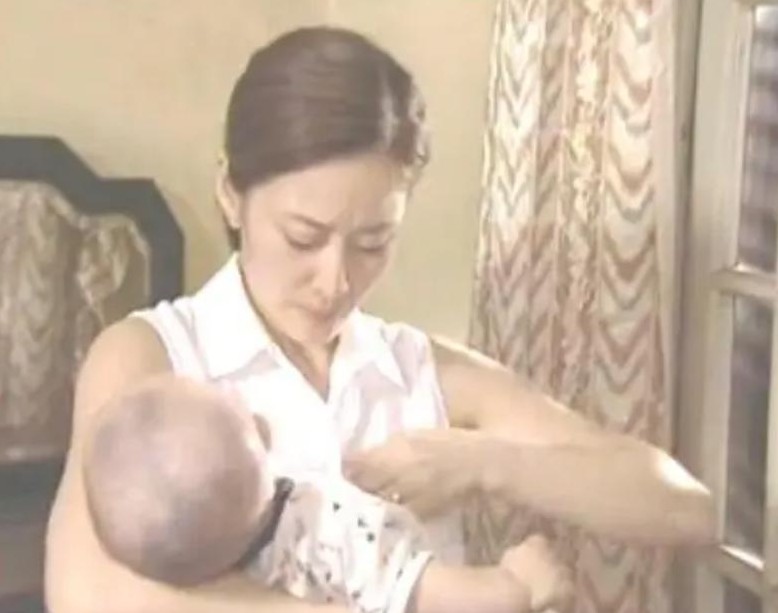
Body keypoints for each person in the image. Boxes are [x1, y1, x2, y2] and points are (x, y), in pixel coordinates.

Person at [45, 26, 715, 613]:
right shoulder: (152, 357)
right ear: (230, 193)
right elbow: (87, 595)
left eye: (373, 243)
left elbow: (685, 507)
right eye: (304, 237)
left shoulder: (419, 368)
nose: (335, 280)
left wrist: (488, 462)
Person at [82, 373, 570, 613]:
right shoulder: (321, 531)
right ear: (260, 434)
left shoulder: (221, 568)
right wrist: (515, 585)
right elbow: (418, 591)